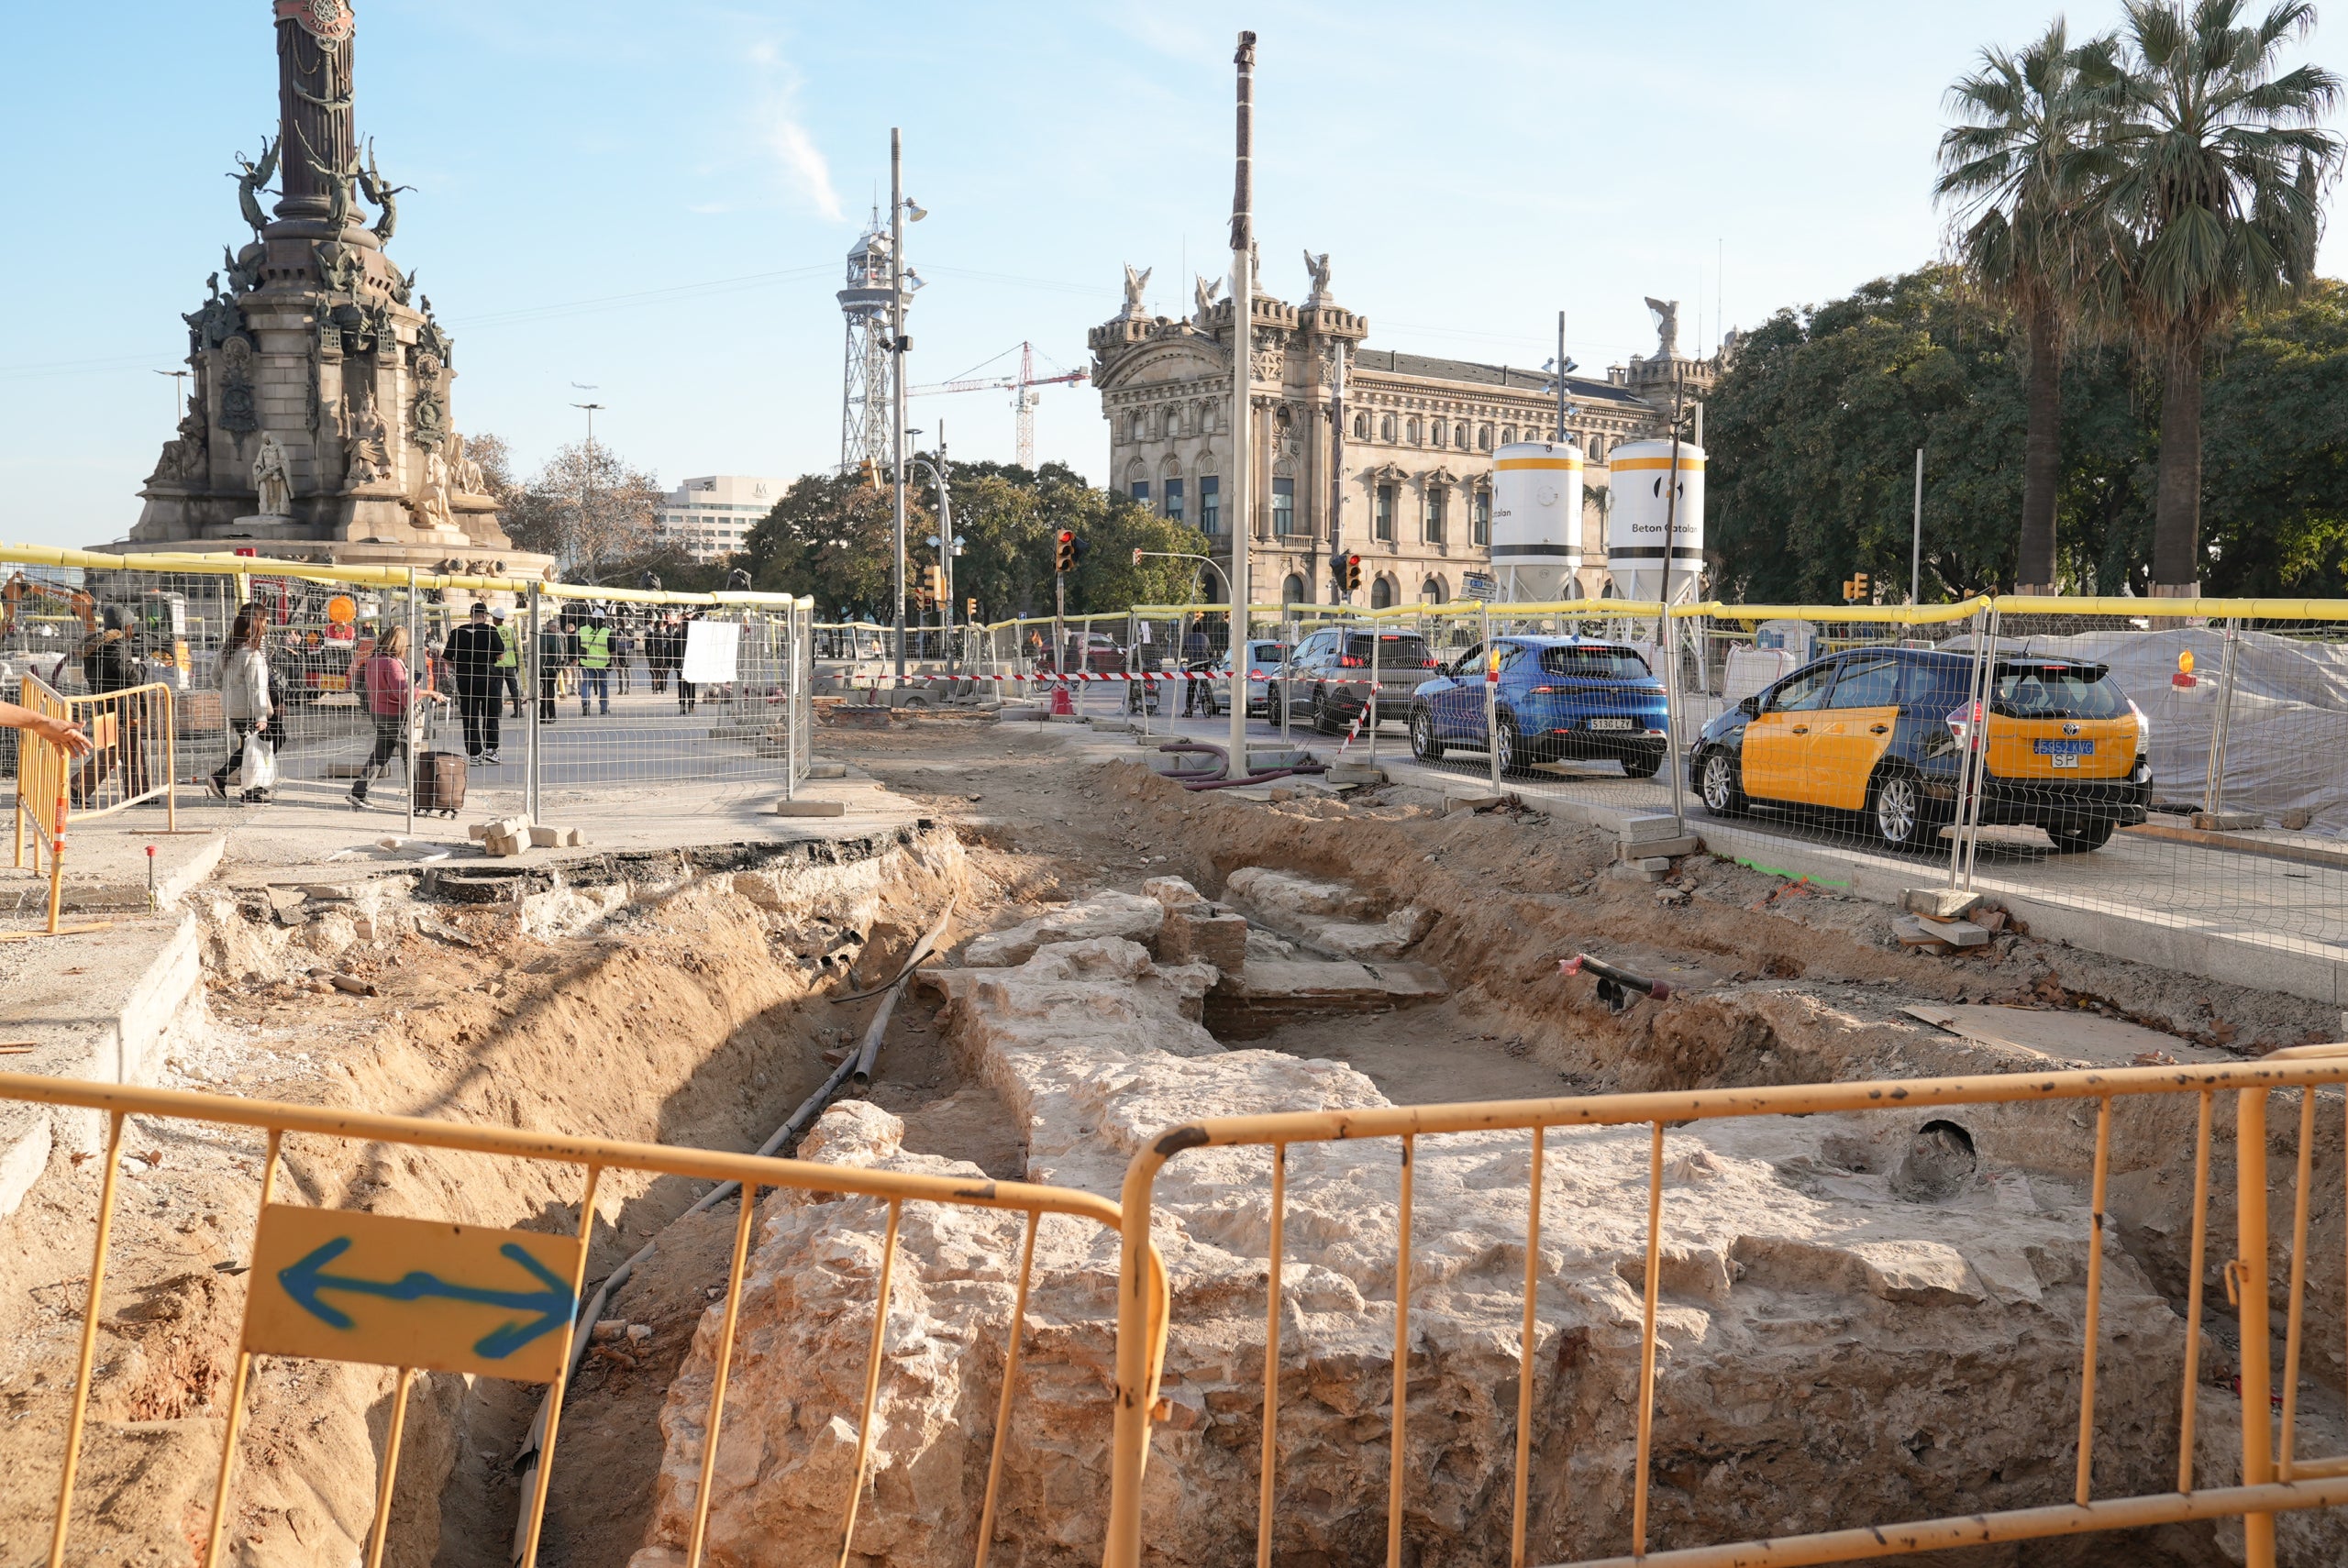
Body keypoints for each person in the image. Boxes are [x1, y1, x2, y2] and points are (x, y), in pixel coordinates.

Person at [348, 626, 447, 809]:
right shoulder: (392, 663)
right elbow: (404, 692)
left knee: (380, 754)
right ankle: (418, 798)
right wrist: (429, 692)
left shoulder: (374, 660)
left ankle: (358, 792)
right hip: (396, 716)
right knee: (411, 757)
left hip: (378, 712)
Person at [209, 606, 272, 802]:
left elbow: (215, 679)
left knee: (250, 747)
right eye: (265, 621)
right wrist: (261, 717)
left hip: (232, 707)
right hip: (249, 710)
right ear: (257, 624)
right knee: (255, 749)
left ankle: (245, 787)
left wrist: (231, 693)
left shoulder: (227, 651)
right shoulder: (252, 656)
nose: (266, 625)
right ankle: (231, 781)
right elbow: (257, 689)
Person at [440, 601, 505, 763]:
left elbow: (446, 658)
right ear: (484, 616)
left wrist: (460, 667)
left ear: (470, 615)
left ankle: (474, 753)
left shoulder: (457, 632)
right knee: (490, 713)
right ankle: (491, 750)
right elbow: (500, 656)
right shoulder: (490, 631)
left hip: (465, 678)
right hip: (487, 676)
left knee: (470, 715)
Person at [577, 606, 614, 716]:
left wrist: (577, 659)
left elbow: (578, 646)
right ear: (603, 620)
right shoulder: (607, 632)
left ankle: (585, 704)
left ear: (591, 618)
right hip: (603, 664)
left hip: (587, 663)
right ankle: (604, 708)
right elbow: (612, 649)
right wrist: (613, 662)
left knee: (586, 685)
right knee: (603, 686)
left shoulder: (582, 630)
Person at [493, 607, 525, 719]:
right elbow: (515, 648)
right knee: (514, 689)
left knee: (497, 690)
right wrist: (517, 663)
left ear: (495, 619)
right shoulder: (510, 631)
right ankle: (519, 711)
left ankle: (498, 712)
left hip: (497, 665)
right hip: (510, 664)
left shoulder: (493, 631)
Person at [537, 614, 570, 721]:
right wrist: (560, 666)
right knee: (550, 693)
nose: (557, 630)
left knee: (546, 691)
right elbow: (559, 653)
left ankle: (543, 715)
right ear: (551, 627)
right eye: (556, 628)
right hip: (551, 668)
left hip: (540, 668)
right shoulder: (554, 637)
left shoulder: (539, 636)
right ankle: (550, 715)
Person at [1181, 622, 1212, 716]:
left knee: (1191, 687)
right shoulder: (1205, 638)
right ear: (1200, 630)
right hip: (1205, 663)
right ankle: (1206, 692)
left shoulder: (1187, 638)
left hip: (1193, 664)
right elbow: (1210, 651)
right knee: (1204, 677)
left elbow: (1182, 651)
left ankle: (1189, 709)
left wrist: (1178, 660)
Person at [675, 612, 699, 714]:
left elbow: (672, 650)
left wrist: (670, 662)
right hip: (692, 663)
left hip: (680, 663)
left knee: (681, 685)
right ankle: (691, 706)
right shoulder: (695, 637)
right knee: (691, 685)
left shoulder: (677, 636)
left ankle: (682, 706)